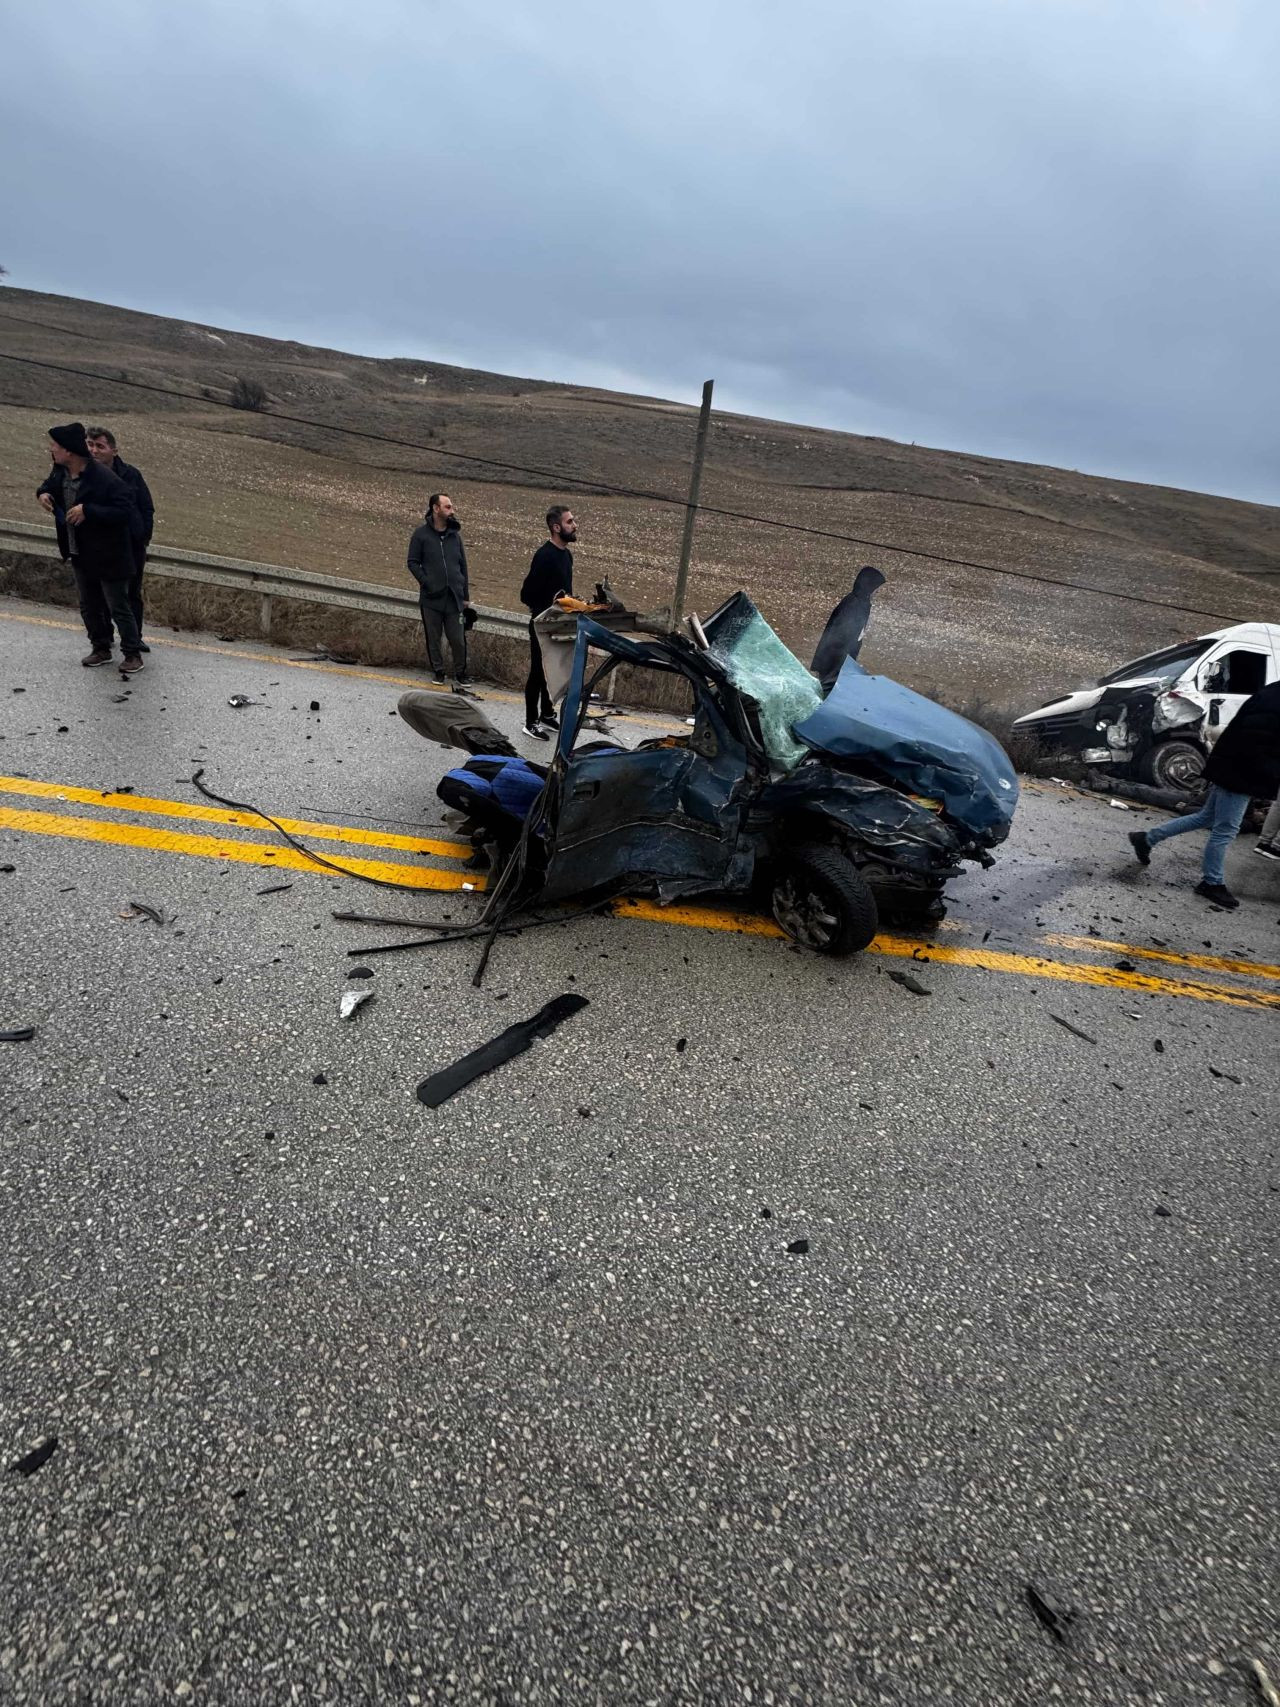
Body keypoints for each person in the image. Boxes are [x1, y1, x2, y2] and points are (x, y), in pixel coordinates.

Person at [1128, 680, 1280, 908]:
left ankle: (1146, 838)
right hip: (1244, 772)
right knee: (1226, 830)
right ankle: (1212, 882)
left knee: (1206, 817)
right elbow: (1263, 741)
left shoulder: (1272, 691)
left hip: (1233, 765)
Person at [36, 422, 144, 673]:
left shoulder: (104, 478)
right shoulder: (60, 472)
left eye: (55, 446)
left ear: (70, 452)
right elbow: (47, 486)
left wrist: (89, 510)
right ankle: (100, 648)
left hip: (109, 554)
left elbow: (125, 509)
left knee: (118, 605)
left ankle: (132, 654)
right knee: (89, 604)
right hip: (79, 551)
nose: (51, 450)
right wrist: (42, 494)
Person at [86, 426, 154, 653]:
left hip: (131, 545)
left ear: (114, 451)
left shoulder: (130, 475)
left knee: (131, 594)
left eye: (100, 446)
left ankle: (135, 637)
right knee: (101, 593)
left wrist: (143, 537)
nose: (94, 450)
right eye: (90, 445)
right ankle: (104, 637)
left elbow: (146, 507)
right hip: (100, 545)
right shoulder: (84, 474)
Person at [519, 504, 577, 739]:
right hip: (541, 625)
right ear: (556, 527)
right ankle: (530, 721)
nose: (574, 525)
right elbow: (526, 594)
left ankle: (547, 714)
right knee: (537, 673)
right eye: (569, 522)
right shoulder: (544, 556)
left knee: (551, 672)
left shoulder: (567, 555)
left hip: (558, 625)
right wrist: (549, 604)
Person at [407, 493, 472, 685]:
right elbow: (412, 562)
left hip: (454, 597)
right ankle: (438, 671)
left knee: (458, 639)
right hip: (431, 598)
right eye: (448, 507)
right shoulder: (421, 535)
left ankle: (461, 673)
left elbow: (463, 567)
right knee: (433, 638)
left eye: (451, 507)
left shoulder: (455, 537)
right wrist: (426, 582)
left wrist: (465, 595)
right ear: (436, 509)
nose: (452, 511)